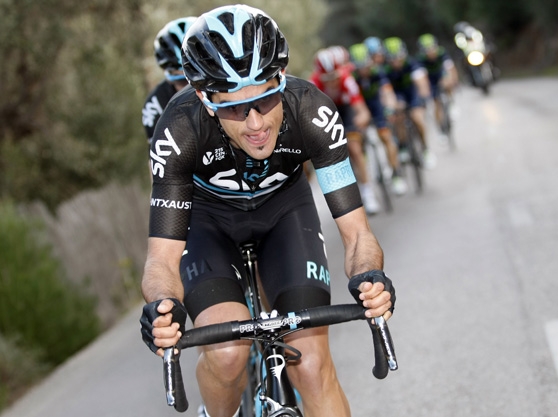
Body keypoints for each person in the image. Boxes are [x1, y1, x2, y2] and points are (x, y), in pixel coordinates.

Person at [138, 5, 396, 417]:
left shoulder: (312, 111)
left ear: (282, 78)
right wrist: (163, 306)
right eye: (234, 108)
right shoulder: (178, 130)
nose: (256, 123)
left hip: (284, 211)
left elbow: (358, 235)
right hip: (208, 221)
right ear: (204, 98)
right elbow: (161, 260)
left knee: (311, 364)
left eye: (265, 98)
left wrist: (370, 277)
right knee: (226, 354)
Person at [310, 46, 382, 214]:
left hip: (347, 110)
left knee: (355, 148)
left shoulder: (347, 80)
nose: (331, 82)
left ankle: (368, 192)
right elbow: (310, 117)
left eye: (334, 77)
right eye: (326, 78)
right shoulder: (313, 85)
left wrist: (361, 119)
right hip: (326, 113)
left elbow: (361, 110)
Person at [348, 42, 407, 195]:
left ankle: (396, 174)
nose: (363, 70)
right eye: (359, 67)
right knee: (356, 141)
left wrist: (390, 107)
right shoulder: (351, 77)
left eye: (365, 66)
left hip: (377, 105)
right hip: (360, 107)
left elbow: (387, 92)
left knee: (386, 137)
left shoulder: (378, 72)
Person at [381, 36, 437, 169]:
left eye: (398, 57)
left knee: (418, 118)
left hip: (412, 93)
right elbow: (386, 91)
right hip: (397, 95)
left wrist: (424, 97)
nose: (396, 62)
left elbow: (421, 83)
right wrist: (391, 106)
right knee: (398, 117)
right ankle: (403, 145)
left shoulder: (412, 63)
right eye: (392, 59)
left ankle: (425, 149)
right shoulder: (384, 70)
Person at [141, 16, 196, 146]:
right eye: (182, 82)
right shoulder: (154, 106)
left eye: (196, 78)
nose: (191, 88)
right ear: (169, 77)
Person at [416, 33, 459, 135]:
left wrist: (453, 80)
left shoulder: (442, 53)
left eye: (432, 48)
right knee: (436, 103)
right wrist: (424, 90)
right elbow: (421, 77)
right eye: (427, 50)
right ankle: (441, 128)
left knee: (448, 82)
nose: (430, 52)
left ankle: (451, 103)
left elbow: (450, 68)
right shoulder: (420, 59)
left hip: (441, 74)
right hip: (429, 78)